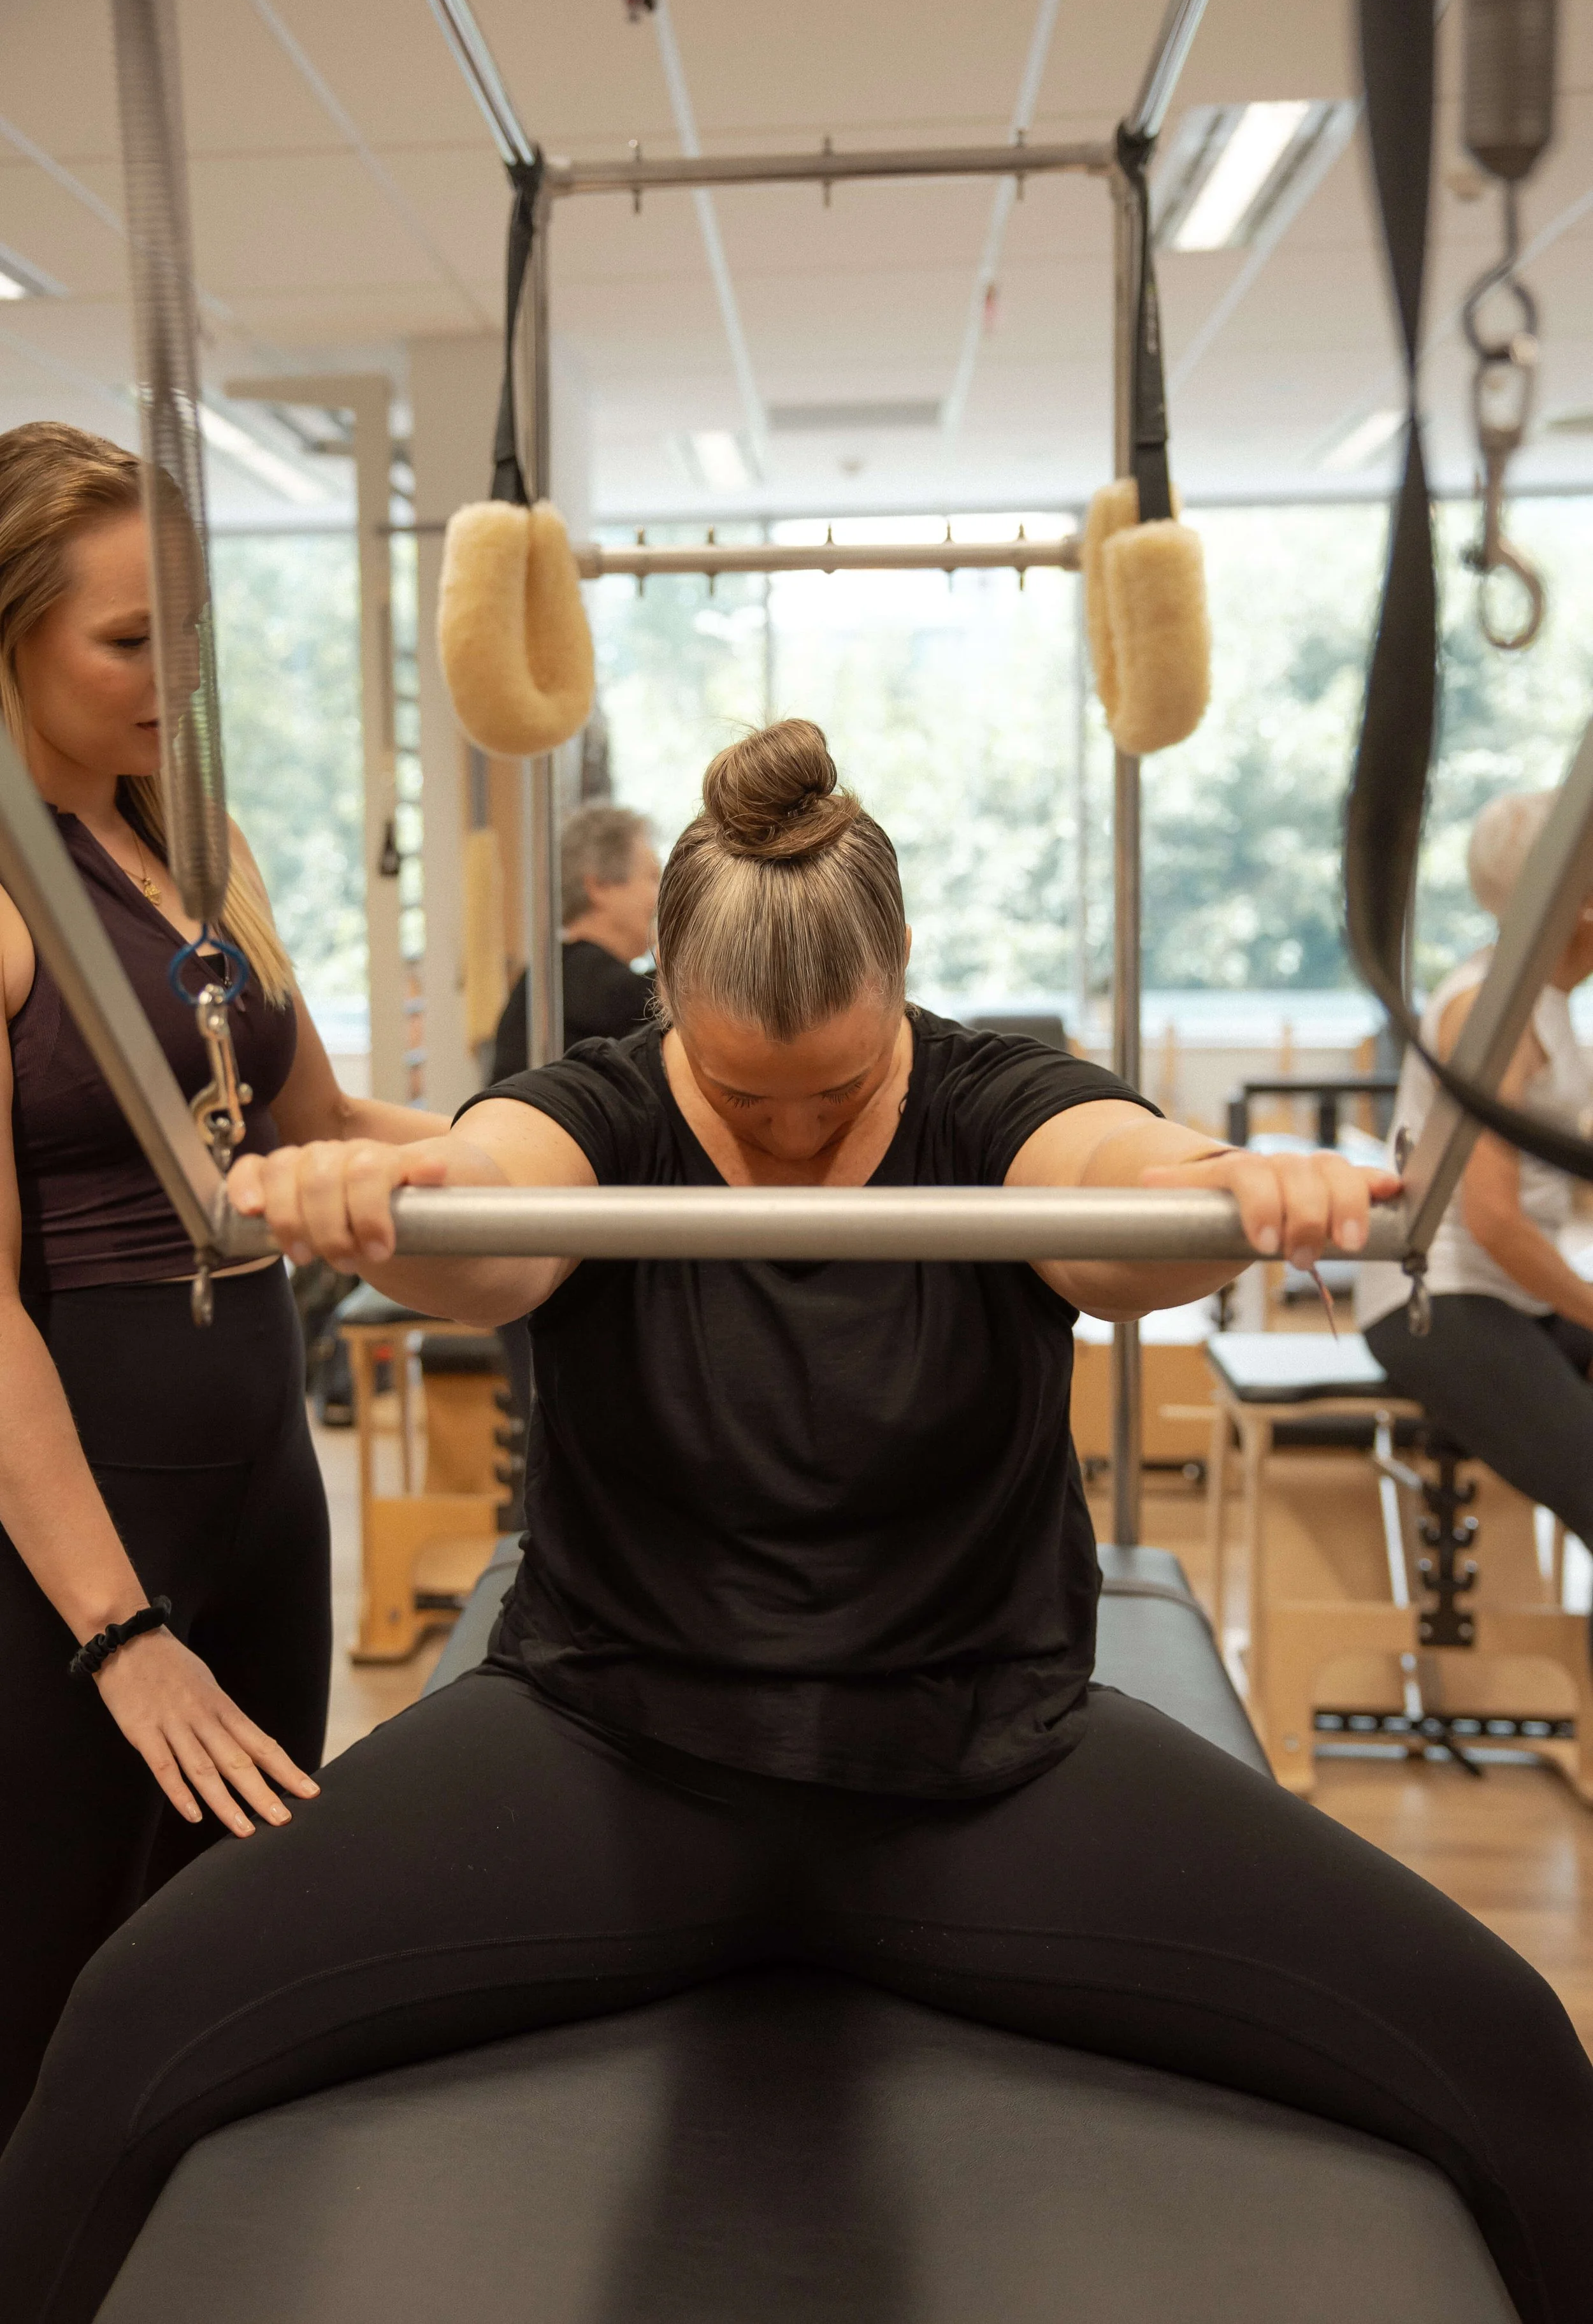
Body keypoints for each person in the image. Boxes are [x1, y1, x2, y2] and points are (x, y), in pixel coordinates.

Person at [3, 720, 1589, 2324]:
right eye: (738, 1090)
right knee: (133, 2014)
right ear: (665, 1005)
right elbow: (488, 1221)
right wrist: (375, 1207)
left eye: (831, 1088)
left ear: (901, 974)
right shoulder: (599, 1111)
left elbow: (1121, 1205)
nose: (785, 1136)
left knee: (1505, 2041)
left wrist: (1234, 1190)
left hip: (978, 1770)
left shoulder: (991, 1101)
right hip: (614, 1757)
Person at [0, 422, 449, 2149]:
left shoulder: (189, 841)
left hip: (264, 1480)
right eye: (128, 644)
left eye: (191, 638)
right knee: (60, 2001)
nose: (171, 681)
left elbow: (322, 1128)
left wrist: (567, 1143)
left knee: (234, 1962)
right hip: (82, 1541)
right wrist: (119, 1637)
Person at [1358, 790, 1593, 1547]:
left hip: (1505, 1297)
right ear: (1574, 900)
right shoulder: (1490, 1009)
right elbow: (1493, 1221)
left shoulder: (1539, 998)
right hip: (1438, 1302)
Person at [491, 802, 659, 1076]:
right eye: (653, 877)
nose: (662, 895)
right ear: (599, 887)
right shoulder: (575, 975)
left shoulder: (557, 970)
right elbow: (667, 999)